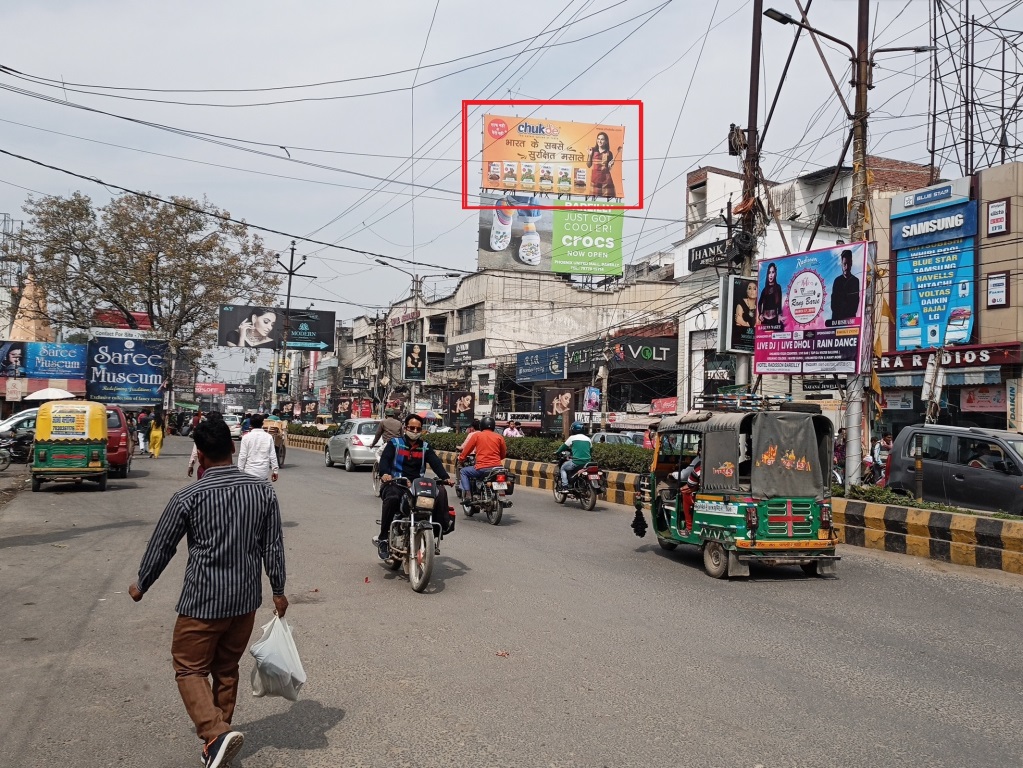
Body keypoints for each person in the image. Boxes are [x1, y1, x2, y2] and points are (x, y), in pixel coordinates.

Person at [128, 419, 287, 768]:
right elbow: (272, 545)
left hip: (203, 600)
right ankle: (220, 739)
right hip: (245, 599)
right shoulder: (262, 492)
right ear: (233, 449)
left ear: (199, 456)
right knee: (226, 667)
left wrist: (142, 584)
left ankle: (214, 734)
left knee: (189, 668)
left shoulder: (189, 495)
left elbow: (162, 545)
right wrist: (278, 590)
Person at [375, 414, 454, 559]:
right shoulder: (394, 443)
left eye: (418, 429)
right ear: (405, 428)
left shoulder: (425, 447)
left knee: (440, 491)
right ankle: (383, 539)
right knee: (392, 498)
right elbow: (385, 461)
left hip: (417, 486)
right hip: (395, 483)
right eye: (412, 428)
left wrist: (445, 477)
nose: (415, 431)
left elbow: (435, 463)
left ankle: (440, 525)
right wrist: (385, 474)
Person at [457, 416, 508, 508]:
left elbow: (466, 450)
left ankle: (468, 496)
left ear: (481, 426)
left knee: (463, 471)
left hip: (481, 468)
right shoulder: (499, 437)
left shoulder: (477, 435)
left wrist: (461, 459)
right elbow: (503, 454)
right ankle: (501, 494)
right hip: (498, 468)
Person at [236, 413, 279, 482]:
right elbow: (272, 455)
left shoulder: (246, 437)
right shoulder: (268, 437)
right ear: (262, 424)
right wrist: (275, 471)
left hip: (249, 472)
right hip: (263, 473)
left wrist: (239, 471)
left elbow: (242, 455)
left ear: (251, 424)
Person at [556, 421, 592, 489]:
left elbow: (563, 447)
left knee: (563, 468)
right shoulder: (588, 439)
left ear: (573, 429)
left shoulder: (572, 438)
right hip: (587, 463)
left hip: (576, 462)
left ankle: (565, 485)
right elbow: (591, 451)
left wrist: (557, 452)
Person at [830, 248, 860, 322]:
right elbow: (833, 304)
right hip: (837, 320)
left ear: (851, 263)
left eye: (848, 264)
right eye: (844, 264)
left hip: (849, 321)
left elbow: (855, 304)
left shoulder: (855, 281)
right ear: (841, 264)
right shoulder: (837, 281)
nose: (846, 267)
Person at [586, 131, 617, 198]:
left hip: (606, 181)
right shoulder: (593, 150)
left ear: (606, 141)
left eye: (602, 139)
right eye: (598, 139)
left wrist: (610, 165)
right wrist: (589, 155)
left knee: (607, 202)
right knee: (593, 201)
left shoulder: (609, 153)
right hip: (595, 180)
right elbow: (588, 165)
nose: (599, 141)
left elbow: (609, 169)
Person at [757, 262, 783, 329]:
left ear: (775, 274)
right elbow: (759, 304)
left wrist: (780, 315)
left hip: (774, 320)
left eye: (773, 272)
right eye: (769, 272)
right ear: (767, 274)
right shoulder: (764, 290)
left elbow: (779, 303)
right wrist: (760, 315)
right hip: (765, 321)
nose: (771, 275)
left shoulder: (778, 288)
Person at [732, 280, 757, 348]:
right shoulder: (741, 305)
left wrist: (744, 323)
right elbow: (738, 323)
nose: (752, 290)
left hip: (753, 343)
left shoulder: (758, 308)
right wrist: (746, 324)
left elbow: (758, 325)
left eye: (754, 288)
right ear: (746, 291)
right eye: (749, 288)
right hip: (740, 341)